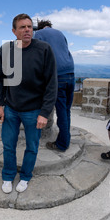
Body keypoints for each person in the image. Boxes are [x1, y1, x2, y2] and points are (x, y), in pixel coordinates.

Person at [0, 14, 57, 194]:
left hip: (34, 110)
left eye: (29, 27)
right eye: (22, 27)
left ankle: (26, 176)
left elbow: (51, 83)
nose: (27, 30)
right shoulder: (6, 49)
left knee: (32, 146)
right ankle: (8, 176)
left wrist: (45, 113)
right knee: (8, 145)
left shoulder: (44, 49)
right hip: (11, 108)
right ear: (14, 31)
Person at [35, 20, 75, 152]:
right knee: (67, 111)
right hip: (70, 74)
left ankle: (62, 144)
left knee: (61, 112)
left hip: (58, 76)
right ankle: (66, 138)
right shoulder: (60, 33)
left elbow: (37, 55)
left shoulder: (39, 33)